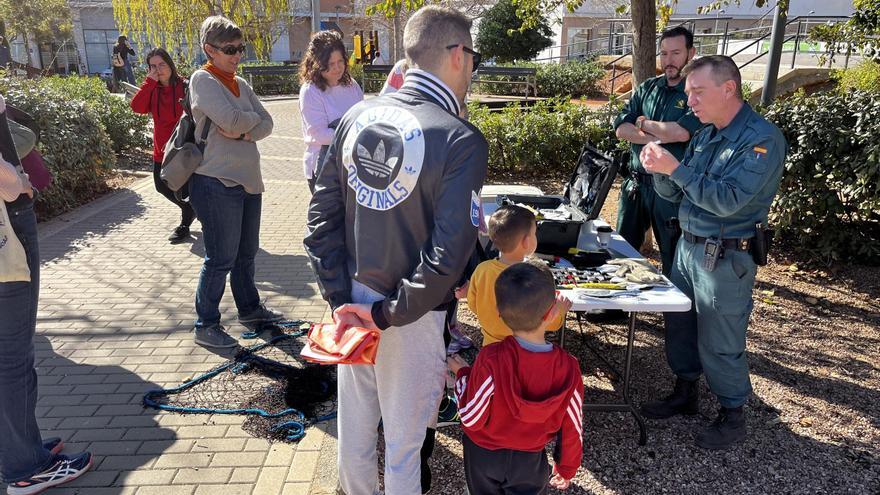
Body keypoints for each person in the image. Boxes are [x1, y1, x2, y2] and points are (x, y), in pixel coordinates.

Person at [304, 6, 487, 494]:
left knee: (356, 430)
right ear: (455, 55)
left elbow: (320, 222)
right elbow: (449, 254)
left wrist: (343, 300)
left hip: (358, 297)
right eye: (473, 56)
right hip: (411, 311)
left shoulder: (355, 117)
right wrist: (385, 313)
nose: (473, 67)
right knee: (405, 447)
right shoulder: (461, 138)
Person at [640, 55, 787, 450]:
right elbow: (682, 188)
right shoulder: (706, 133)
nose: (690, 102)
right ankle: (685, 391)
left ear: (728, 89)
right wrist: (660, 171)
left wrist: (677, 170)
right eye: (688, 93)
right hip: (688, 247)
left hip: (724, 257)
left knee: (721, 339)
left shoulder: (762, 139)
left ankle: (733, 413)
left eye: (698, 92)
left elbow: (728, 201)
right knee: (681, 325)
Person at [0, 93, 94, 494]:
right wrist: (17, 181)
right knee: (12, 358)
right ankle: (26, 466)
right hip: (6, 228)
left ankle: (17, 448)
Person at [187, 16, 283, 349]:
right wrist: (247, 126)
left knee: (246, 255)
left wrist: (243, 128)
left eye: (240, 48)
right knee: (220, 258)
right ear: (208, 49)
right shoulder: (203, 79)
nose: (237, 55)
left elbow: (268, 123)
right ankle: (206, 324)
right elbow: (228, 119)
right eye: (230, 49)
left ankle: (250, 311)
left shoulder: (240, 83)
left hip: (248, 183)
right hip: (215, 183)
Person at [449, 261, 584, 493]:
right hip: (530, 459)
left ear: (499, 313)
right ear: (553, 312)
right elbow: (573, 423)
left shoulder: (491, 358)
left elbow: (471, 416)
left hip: (484, 455)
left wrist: (462, 376)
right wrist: (567, 467)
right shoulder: (569, 367)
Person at [613, 26, 701, 275]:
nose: (668, 60)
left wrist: (641, 123)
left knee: (672, 255)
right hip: (636, 185)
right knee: (621, 251)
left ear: (690, 53)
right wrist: (659, 134)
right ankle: (612, 309)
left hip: (670, 190)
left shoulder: (695, 93)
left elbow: (681, 133)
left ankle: (674, 314)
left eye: (675, 53)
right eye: (664, 54)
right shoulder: (647, 88)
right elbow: (620, 129)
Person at [466, 204, 569, 346]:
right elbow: (550, 324)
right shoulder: (533, 278)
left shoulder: (481, 270)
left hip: (489, 345)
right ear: (526, 242)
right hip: (523, 349)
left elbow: (473, 304)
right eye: (534, 233)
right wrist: (560, 311)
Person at [130, 47, 195, 243]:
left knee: (188, 189)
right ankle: (189, 210)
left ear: (170, 65)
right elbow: (137, 107)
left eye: (162, 64)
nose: (158, 69)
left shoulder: (185, 86)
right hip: (162, 149)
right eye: (153, 66)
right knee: (161, 186)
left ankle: (186, 223)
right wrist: (149, 83)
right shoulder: (151, 88)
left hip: (184, 148)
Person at [298, 30, 363, 194]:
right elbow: (319, 134)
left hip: (350, 164)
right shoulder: (310, 91)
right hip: (323, 167)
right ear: (317, 63)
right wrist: (354, 135)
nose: (337, 68)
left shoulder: (352, 85)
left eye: (340, 61)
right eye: (330, 64)